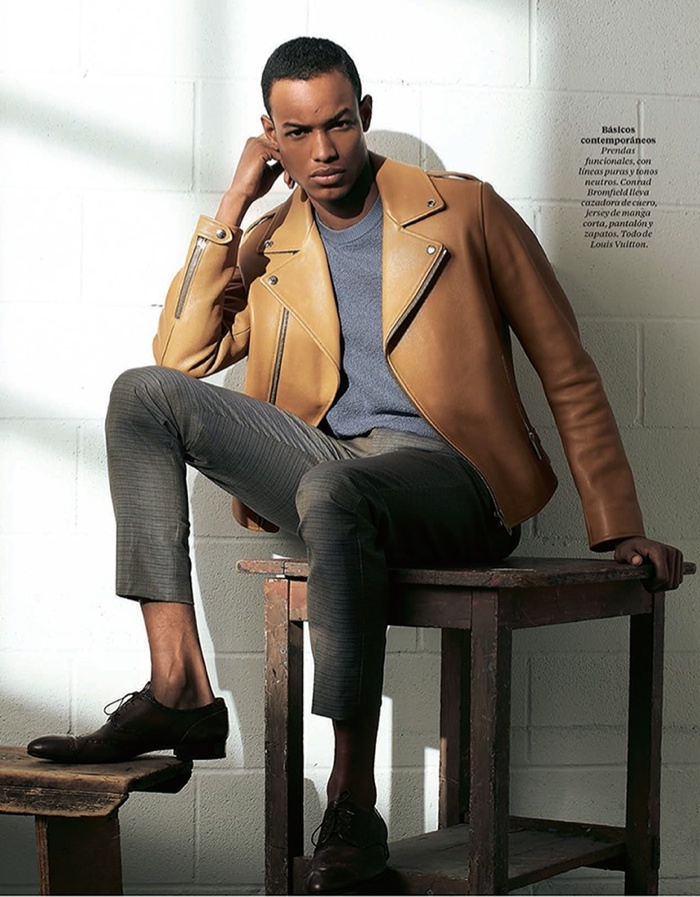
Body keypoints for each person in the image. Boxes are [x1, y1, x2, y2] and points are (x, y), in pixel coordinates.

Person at [27, 37, 683, 894]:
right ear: (272, 136)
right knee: (141, 395)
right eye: (298, 133)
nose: (324, 150)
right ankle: (179, 685)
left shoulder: (464, 211)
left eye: (338, 124)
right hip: (332, 467)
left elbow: (566, 364)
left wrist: (617, 523)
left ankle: (350, 799)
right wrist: (234, 203)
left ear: (364, 115)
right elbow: (182, 355)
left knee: (334, 487)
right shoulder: (275, 243)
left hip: (456, 478)